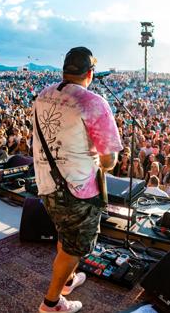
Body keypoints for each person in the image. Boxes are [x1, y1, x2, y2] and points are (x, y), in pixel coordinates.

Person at [33, 47, 122, 313]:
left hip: (47, 184)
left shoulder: (43, 95)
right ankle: (51, 303)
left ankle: (68, 281)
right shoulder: (93, 103)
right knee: (75, 247)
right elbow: (109, 161)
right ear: (90, 73)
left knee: (65, 233)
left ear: (64, 70)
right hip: (77, 190)